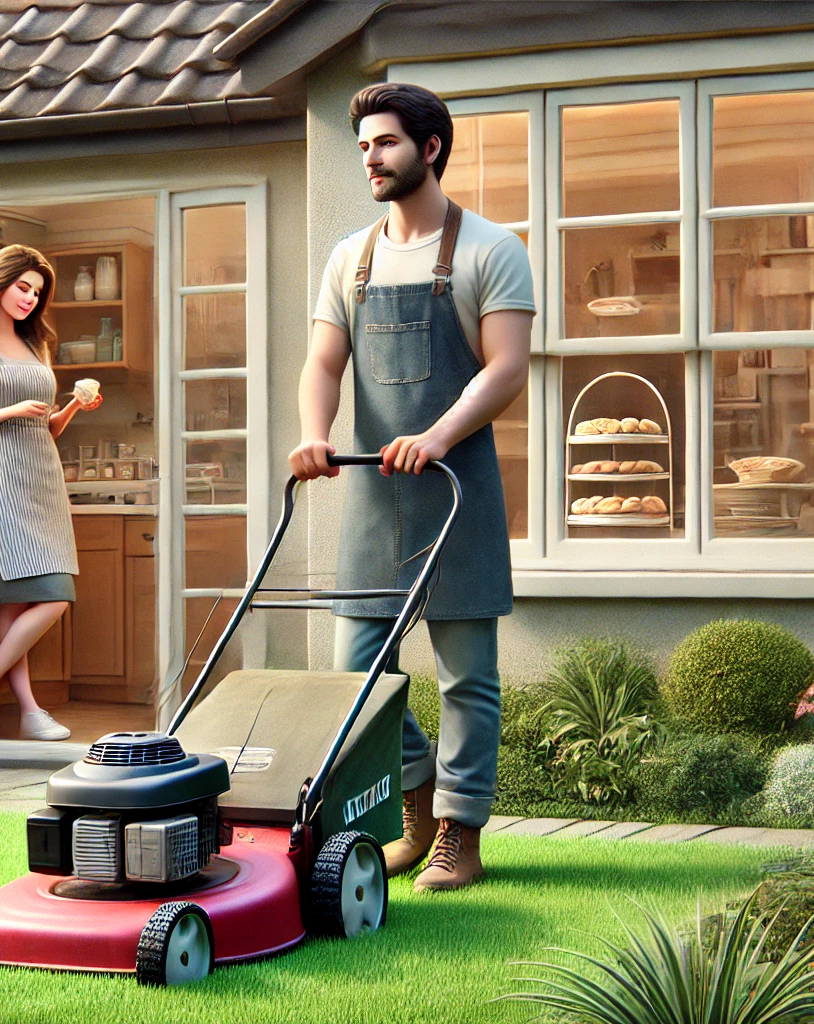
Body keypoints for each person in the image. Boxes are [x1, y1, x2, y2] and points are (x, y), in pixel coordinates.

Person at [290, 83, 534, 891]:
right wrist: (315, 434)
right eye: (363, 145)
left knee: (468, 677)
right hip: (372, 496)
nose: (371, 157)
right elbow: (324, 363)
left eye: (385, 143)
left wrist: (436, 437)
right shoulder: (348, 260)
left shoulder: (490, 250)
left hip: (457, 491)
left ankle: (460, 834)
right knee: (355, 682)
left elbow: (505, 368)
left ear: (430, 148)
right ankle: (418, 801)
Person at [0, 245, 101, 741]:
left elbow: (46, 429)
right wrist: (9, 412)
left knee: (22, 603)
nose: (30, 299)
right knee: (47, 599)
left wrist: (74, 405)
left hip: (43, 478)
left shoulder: (37, 347)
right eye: (23, 287)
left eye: (37, 292)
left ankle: (19, 705)